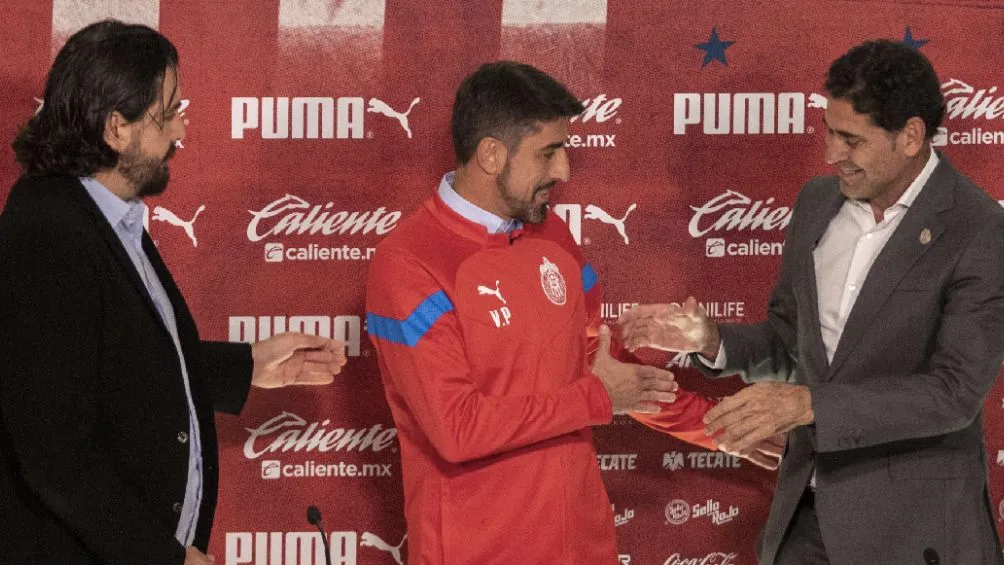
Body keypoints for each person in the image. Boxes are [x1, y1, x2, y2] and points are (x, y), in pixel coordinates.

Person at [621, 39, 1004, 565]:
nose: (830, 155)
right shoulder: (816, 204)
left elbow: (953, 393)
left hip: (912, 530)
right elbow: (790, 341)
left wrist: (808, 405)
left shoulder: (979, 230)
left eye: (851, 139)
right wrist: (711, 340)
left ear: (911, 135)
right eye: (828, 132)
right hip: (803, 518)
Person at [0, 20, 347, 565]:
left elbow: (117, 368)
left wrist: (248, 365)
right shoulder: (49, 234)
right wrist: (162, 557)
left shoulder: (101, 218)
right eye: (168, 113)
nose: (181, 130)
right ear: (117, 129)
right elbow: (56, 452)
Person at [365, 61, 736, 565]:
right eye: (549, 153)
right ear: (492, 155)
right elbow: (457, 430)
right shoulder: (409, 264)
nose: (563, 170)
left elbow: (599, 371)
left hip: (583, 546)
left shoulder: (553, 236)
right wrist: (597, 397)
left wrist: (719, 426)